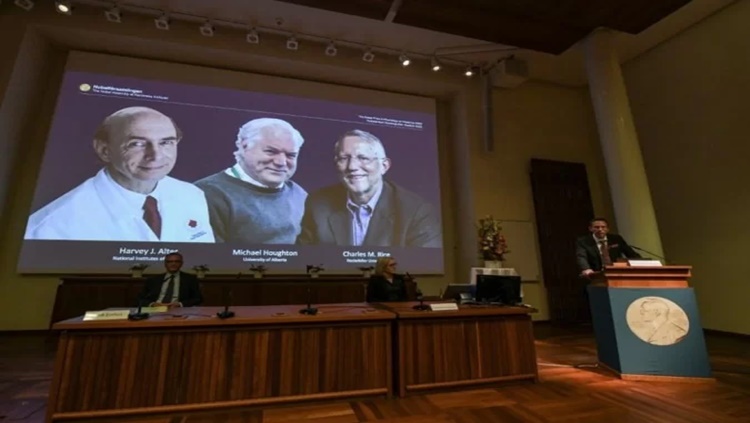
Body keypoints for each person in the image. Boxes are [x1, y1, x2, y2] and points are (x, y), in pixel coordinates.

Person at [24, 106, 214, 242]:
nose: (155, 155)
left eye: (166, 142)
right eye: (137, 144)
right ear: (104, 150)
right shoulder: (52, 226)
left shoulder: (191, 195)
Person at [297, 129, 441, 247]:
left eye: (363, 158)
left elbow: (419, 267)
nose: (352, 167)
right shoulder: (318, 203)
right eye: (344, 158)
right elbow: (305, 260)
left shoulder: (417, 211)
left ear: (384, 166)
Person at [195, 118, 307, 243]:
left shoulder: (299, 194)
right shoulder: (206, 193)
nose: (281, 162)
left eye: (291, 155)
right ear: (245, 146)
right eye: (271, 152)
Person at [576, 217, 640, 276]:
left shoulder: (616, 239)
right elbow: (581, 257)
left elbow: (630, 253)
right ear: (590, 229)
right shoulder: (583, 241)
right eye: (596, 227)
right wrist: (586, 269)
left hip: (617, 272)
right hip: (597, 274)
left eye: (603, 227)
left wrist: (641, 262)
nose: (600, 229)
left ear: (607, 229)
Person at [136, 252, 202, 308]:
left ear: (181, 263)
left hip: (178, 309)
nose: (173, 264)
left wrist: (179, 304)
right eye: (170, 262)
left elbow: (198, 299)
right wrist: (153, 304)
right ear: (165, 264)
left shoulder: (190, 279)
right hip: (156, 309)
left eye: (177, 261)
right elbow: (140, 298)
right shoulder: (153, 280)